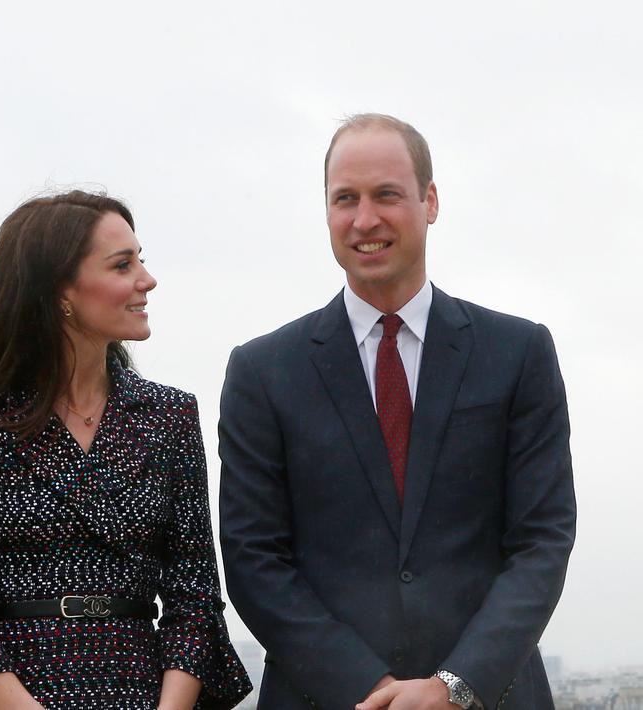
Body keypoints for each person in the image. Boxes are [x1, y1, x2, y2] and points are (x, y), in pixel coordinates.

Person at [217, 114, 575, 710]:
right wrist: (371, 690)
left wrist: (453, 687)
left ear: (430, 201)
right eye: (345, 199)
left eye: (386, 194)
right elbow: (253, 559)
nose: (365, 219)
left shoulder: (518, 353)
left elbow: (542, 540)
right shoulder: (261, 372)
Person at [0, 191, 251, 709]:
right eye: (122, 265)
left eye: (142, 259)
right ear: (59, 292)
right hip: (13, 695)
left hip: (142, 692)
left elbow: (196, 595)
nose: (147, 279)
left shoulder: (170, 415)